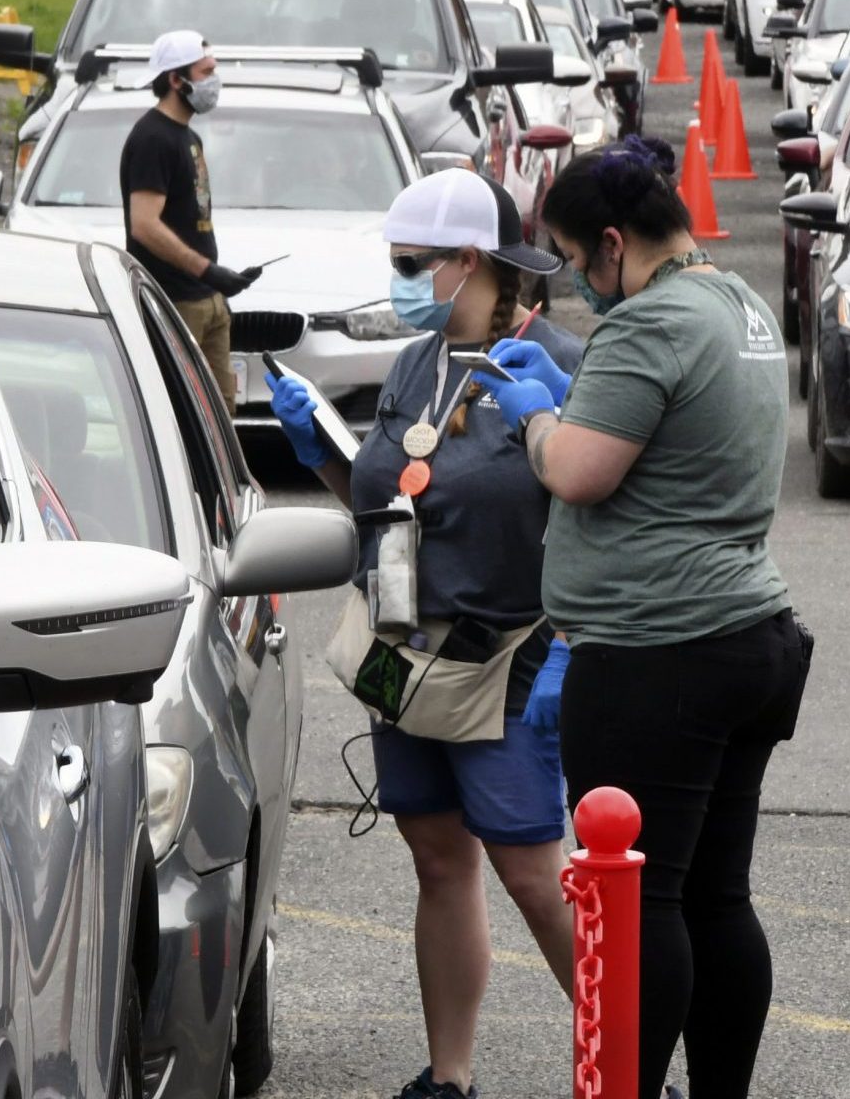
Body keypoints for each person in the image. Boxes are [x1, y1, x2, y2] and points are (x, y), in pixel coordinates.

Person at [474, 137, 811, 1099]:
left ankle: (622, 1089)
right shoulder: (738, 305)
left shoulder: (651, 324)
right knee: (715, 897)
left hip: (660, 652)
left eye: (581, 263)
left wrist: (537, 414)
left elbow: (578, 471)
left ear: (615, 241)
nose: (582, 286)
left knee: (638, 899)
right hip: (746, 634)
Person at [268, 168, 580, 1099]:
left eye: (410, 264)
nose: (398, 280)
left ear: (470, 263)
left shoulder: (558, 363)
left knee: (534, 873)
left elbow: (598, 508)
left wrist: (575, 647)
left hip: (507, 662)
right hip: (403, 658)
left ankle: (630, 1070)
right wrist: (322, 452)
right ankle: (449, 1078)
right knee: (439, 859)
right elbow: (389, 506)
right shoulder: (414, 364)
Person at [122, 28, 260, 399]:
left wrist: (218, 281)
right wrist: (207, 270)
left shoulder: (188, 137)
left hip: (208, 301)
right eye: (205, 72)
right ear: (175, 79)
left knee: (219, 414)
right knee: (184, 409)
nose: (213, 81)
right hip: (176, 301)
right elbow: (145, 225)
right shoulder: (153, 139)